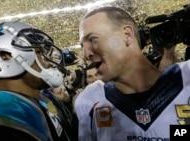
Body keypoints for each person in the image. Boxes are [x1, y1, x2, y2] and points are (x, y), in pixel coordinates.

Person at [75, 6, 190, 141]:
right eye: (83, 46)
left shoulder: (186, 77)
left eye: (93, 40)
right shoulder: (88, 101)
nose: (86, 54)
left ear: (127, 35)